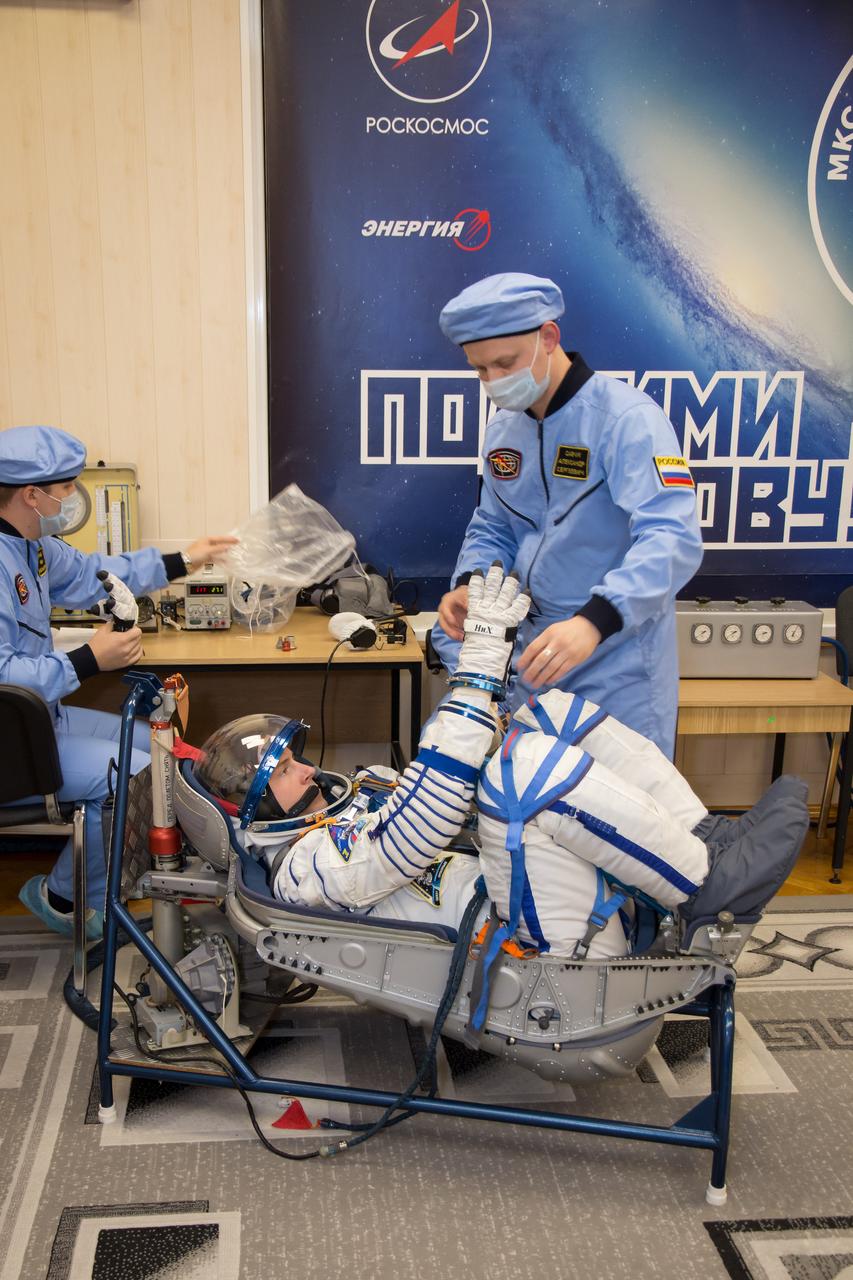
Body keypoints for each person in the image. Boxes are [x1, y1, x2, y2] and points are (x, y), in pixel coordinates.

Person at [194, 563, 808, 963]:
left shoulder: (355, 793)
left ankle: (705, 842)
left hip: (527, 887)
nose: (304, 770)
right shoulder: (304, 867)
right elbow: (418, 833)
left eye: (292, 759)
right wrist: (477, 675)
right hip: (531, 947)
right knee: (522, 778)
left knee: (551, 714)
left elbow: (444, 787)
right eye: (283, 775)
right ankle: (703, 890)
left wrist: (491, 692)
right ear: (262, 815)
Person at [430, 272, 705, 756]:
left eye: (505, 363)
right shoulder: (503, 433)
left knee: (620, 821)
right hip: (536, 659)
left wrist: (593, 622)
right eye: (480, 370)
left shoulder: (627, 421)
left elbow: (671, 538)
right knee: (531, 818)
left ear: (549, 338)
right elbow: (494, 525)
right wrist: (470, 585)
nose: (494, 382)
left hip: (615, 661)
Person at [0, 424, 237, 938]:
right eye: (65, 490)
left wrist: (184, 559)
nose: (70, 500)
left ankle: (102, 889)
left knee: (160, 750)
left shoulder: (31, 545)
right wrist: (89, 659)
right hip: (11, 741)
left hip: (40, 720)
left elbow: (98, 574)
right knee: (137, 776)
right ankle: (66, 899)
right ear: (30, 495)